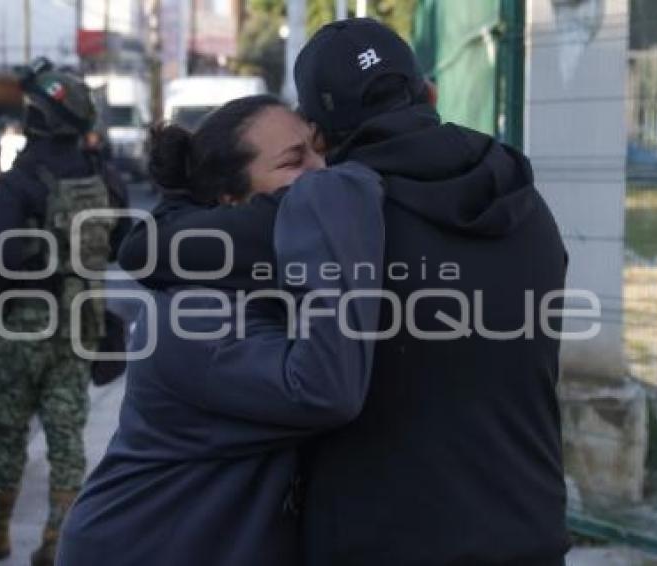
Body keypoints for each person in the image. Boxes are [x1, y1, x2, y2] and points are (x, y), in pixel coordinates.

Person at [118, 19, 570, 566]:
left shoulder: (335, 214)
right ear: (429, 94)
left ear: (321, 135)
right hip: (529, 531)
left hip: (384, 544)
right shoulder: (526, 203)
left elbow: (147, 249)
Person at [57, 94, 385, 565]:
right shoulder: (196, 316)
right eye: (294, 161)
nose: (323, 171)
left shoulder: (254, 280)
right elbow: (322, 390)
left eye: (319, 151)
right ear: (231, 201)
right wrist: (352, 193)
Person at [0, 57, 129, 566]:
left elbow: (0, 262)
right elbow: (120, 246)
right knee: (66, 431)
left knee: (9, 426)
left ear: (38, 119)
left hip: (24, 326)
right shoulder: (105, 178)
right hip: (80, 324)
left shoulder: (21, 182)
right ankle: (58, 539)